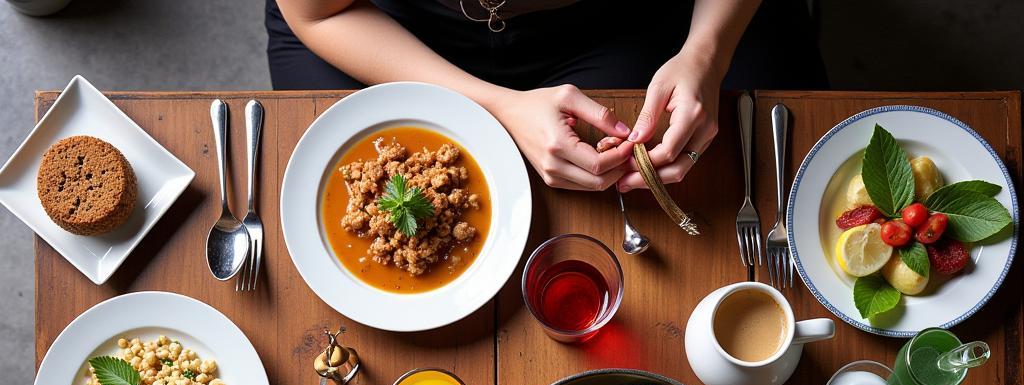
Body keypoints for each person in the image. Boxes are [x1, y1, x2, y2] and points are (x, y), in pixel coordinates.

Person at [267, 0, 826, 192]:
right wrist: (497, 107)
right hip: (378, 23)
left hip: (622, 21)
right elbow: (317, 12)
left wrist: (706, 53)